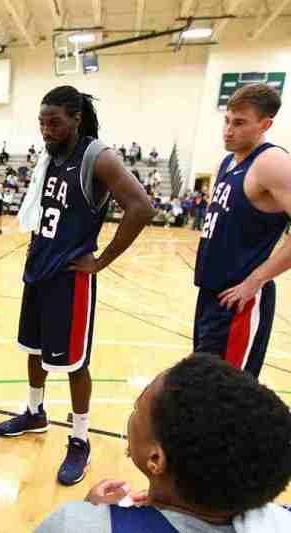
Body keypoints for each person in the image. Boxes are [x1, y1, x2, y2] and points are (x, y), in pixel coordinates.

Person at [0, 86, 154, 486]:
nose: (47, 130)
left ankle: (81, 439)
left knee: (72, 364)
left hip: (70, 280)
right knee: (32, 351)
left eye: (55, 122)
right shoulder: (51, 156)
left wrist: (100, 261)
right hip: (39, 272)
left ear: (76, 118)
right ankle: (35, 413)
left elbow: (142, 207)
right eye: (42, 122)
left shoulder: (96, 156)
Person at [36, 354, 291, 532]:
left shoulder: (75, 525)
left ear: (156, 459)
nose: (133, 413)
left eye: (137, 409)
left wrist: (91, 514)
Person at [194, 84, 291, 377]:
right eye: (227, 120)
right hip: (211, 294)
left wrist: (255, 281)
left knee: (229, 395)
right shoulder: (227, 162)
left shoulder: (272, 162)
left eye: (239, 123)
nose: (228, 130)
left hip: (240, 300)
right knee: (202, 386)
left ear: (265, 124)